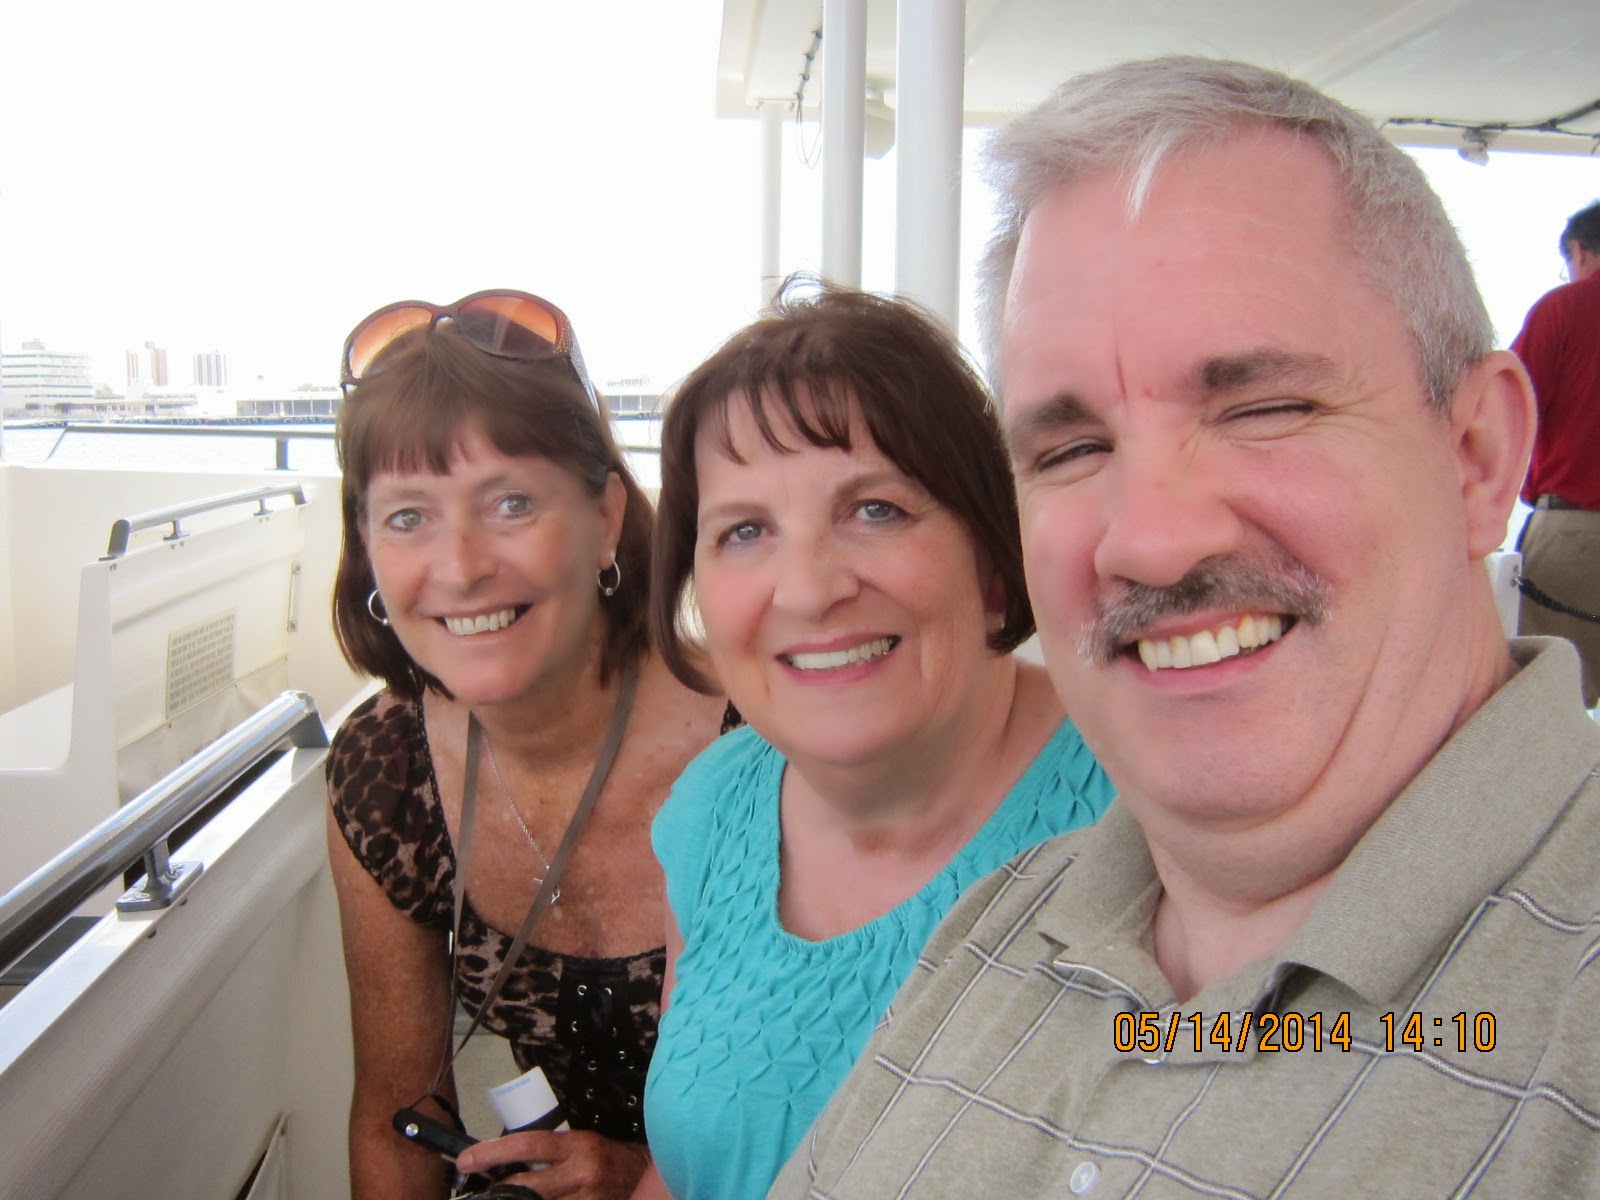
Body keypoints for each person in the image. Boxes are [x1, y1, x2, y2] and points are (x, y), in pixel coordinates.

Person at [771, 57, 1600, 1198]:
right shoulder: (998, 922)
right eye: (1069, 450)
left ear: (1475, 458)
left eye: (1262, 408)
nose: (1149, 541)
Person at [627, 284, 1114, 1199]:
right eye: (744, 531)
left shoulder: (1140, 795)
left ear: (993, 563)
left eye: (876, 509)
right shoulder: (713, 807)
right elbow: (686, 1166)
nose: (807, 590)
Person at [324, 289, 723, 1200]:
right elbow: (395, 1115)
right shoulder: (386, 778)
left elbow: (886, 1086)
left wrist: (646, 1179)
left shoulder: (760, 743)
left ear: (606, 520)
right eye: (408, 516)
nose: (460, 567)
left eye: (510, 502)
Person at [1512, 200, 1600, 706]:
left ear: (1579, 250)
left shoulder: (1565, 308)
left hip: (1578, 536)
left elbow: (1507, 413)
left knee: (1556, 701)